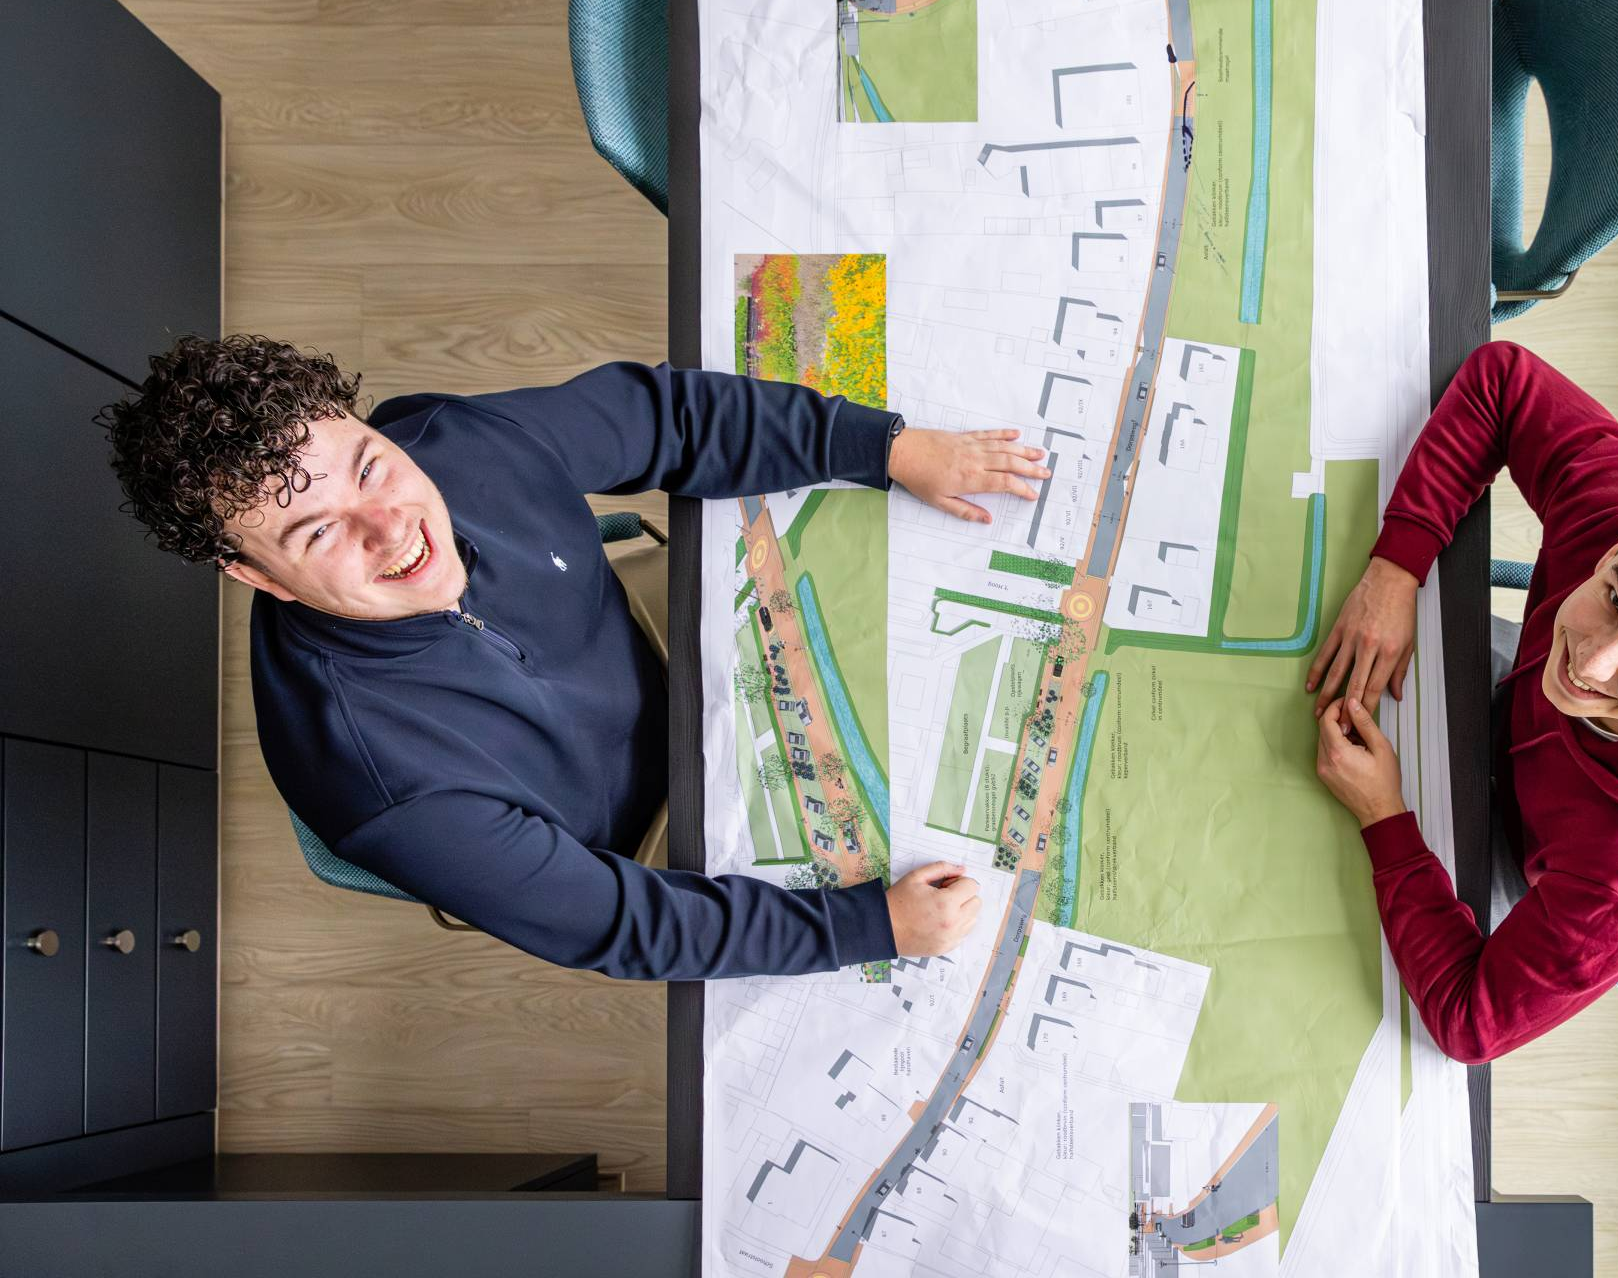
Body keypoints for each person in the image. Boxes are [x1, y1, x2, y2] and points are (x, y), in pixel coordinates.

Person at [100, 335, 1053, 979]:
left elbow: (667, 421)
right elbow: (618, 920)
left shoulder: (452, 440)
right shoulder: (379, 783)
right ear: (254, 576)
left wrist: (881, 447)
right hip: (666, 840)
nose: (393, 529)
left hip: (686, 643)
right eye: (318, 536)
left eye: (370, 467)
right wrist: (865, 929)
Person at [1307, 340, 1618, 1064]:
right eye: (1611, 596)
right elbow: (1501, 380)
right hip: (1510, 694)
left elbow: (1468, 1024)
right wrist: (1396, 568)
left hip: (1528, 855)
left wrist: (1383, 818)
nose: (1593, 656)